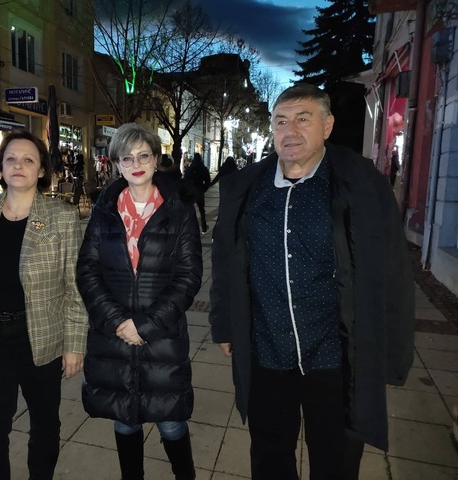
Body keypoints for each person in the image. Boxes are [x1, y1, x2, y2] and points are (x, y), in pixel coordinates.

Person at [209, 84, 415, 480]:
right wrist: (223, 324)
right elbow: (225, 261)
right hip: (267, 352)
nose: (290, 131)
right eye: (281, 121)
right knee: (269, 460)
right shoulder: (247, 189)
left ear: (328, 126)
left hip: (335, 358)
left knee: (335, 463)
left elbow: (393, 274)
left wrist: (391, 360)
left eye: (303, 119)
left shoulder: (361, 186)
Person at [0, 130, 87, 480]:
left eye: (28, 160)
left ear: (41, 170)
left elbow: (74, 288)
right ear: (1, 167)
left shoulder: (61, 217)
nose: (18, 166)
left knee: (45, 424)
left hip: (39, 338)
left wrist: (74, 345)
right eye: (11, 159)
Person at [77, 123, 202, 480]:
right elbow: (87, 270)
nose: (136, 164)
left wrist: (145, 325)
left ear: (156, 159)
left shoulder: (178, 210)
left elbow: (189, 277)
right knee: (124, 420)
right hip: (113, 336)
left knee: (171, 422)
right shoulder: (104, 210)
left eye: (143, 155)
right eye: (127, 158)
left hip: (162, 336)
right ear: (116, 164)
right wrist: (118, 321)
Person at [183, 152, 211, 234]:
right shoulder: (203, 168)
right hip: (199, 191)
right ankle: (204, 228)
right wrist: (203, 189)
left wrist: (188, 189)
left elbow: (185, 180)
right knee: (202, 210)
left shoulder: (190, 168)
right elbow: (207, 181)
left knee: (189, 210)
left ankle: (188, 228)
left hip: (191, 192)